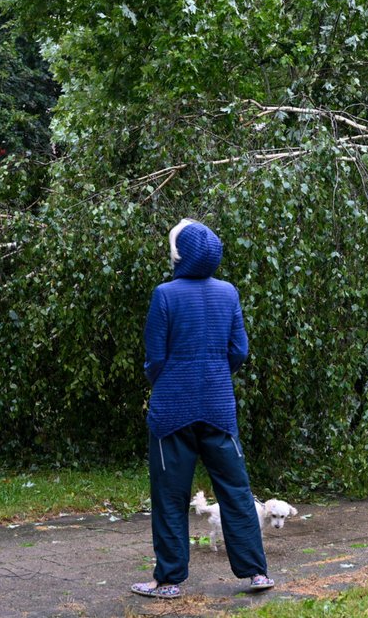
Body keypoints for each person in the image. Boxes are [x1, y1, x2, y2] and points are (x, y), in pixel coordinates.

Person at [130, 218, 274, 599]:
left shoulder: (165, 294)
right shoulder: (229, 293)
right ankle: (256, 574)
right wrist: (213, 374)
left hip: (170, 413)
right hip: (218, 407)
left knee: (170, 497)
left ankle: (169, 581)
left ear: (179, 254)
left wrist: (169, 382)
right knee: (236, 491)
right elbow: (239, 351)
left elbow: (155, 357)